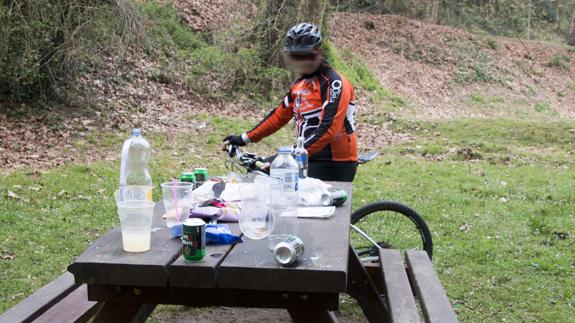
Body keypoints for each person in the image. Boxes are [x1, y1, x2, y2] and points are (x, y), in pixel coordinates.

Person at [222, 23, 358, 182]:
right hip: (306, 157)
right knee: (257, 173)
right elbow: (277, 118)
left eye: (306, 56)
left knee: (269, 178)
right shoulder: (299, 86)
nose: (301, 62)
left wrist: (292, 157)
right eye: (295, 57)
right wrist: (242, 139)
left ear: (318, 53)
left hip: (334, 163)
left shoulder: (334, 83)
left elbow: (328, 129)